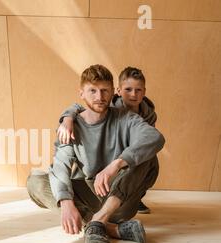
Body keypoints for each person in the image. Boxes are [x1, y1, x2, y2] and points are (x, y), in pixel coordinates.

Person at [26, 64, 165, 243]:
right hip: (90, 195)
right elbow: (61, 165)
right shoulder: (71, 126)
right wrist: (66, 203)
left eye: (104, 91)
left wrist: (115, 165)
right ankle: (109, 228)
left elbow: (155, 137)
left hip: (119, 199)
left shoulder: (126, 118)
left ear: (112, 92)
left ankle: (98, 220)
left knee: (145, 154)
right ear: (81, 93)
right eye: (92, 91)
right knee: (35, 181)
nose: (99, 97)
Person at [57, 67, 157, 214]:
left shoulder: (147, 115)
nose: (133, 95)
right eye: (128, 89)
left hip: (122, 170)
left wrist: (117, 165)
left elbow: (151, 140)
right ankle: (102, 222)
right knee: (41, 181)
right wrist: (67, 117)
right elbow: (81, 107)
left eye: (138, 90)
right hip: (97, 172)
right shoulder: (107, 107)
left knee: (148, 155)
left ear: (144, 91)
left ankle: (131, 197)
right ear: (118, 91)